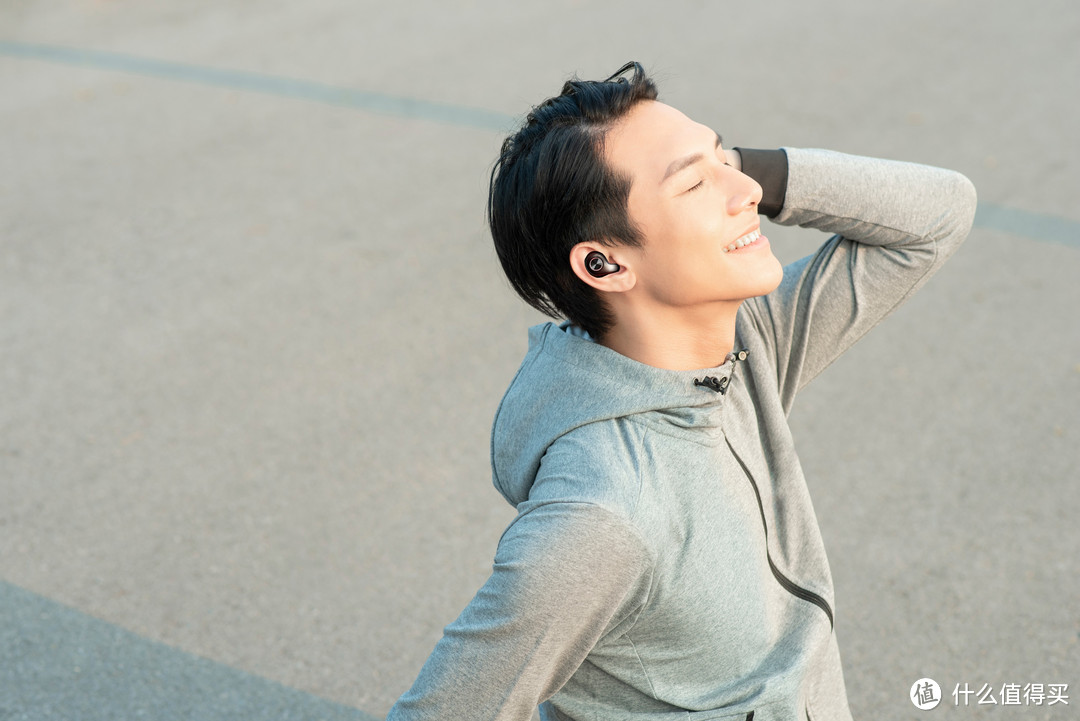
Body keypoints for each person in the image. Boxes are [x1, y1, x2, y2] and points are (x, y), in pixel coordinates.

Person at [386, 61, 976, 721]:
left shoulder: (746, 341)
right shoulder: (603, 516)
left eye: (725, 155)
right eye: (696, 182)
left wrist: (737, 166)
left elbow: (938, 215)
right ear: (605, 263)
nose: (743, 188)